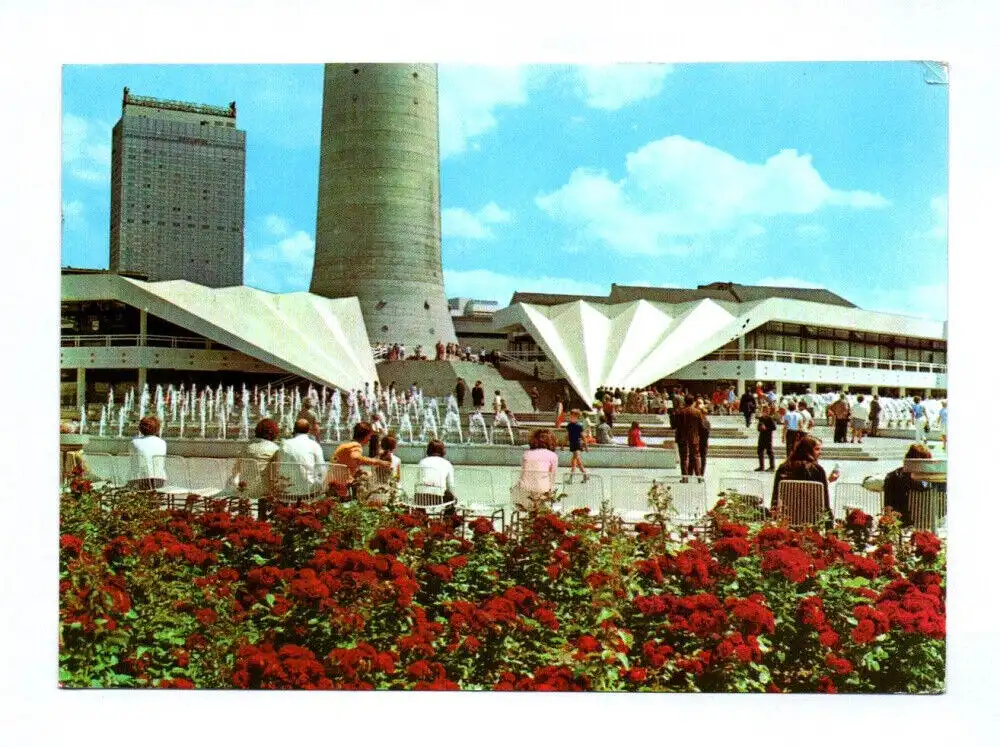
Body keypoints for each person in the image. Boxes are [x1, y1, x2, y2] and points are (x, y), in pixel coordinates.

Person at [769, 434, 839, 513]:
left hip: (787, 516)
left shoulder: (783, 468)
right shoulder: (817, 470)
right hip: (811, 516)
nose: (820, 452)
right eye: (817, 449)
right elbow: (824, 500)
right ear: (807, 450)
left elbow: (776, 496)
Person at [228, 418, 281, 518]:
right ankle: (264, 518)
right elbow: (277, 472)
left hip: (244, 488)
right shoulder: (274, 448)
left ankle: (243, 517)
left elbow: (235, 470)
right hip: (262, 490)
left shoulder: (246, 446)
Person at [882, 443, 945, 526]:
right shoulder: (929, 480)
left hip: (899, 520)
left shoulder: (892, 476)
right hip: (927, 520)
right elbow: (922, 486)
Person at [268, 418, 326, 501]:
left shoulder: (284, 444)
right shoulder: (314, 445)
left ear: (294, 430)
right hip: (308, 493)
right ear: (309, 430)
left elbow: (277, 466)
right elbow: (321, 470)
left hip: (286, 492)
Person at [330, 422, 392, 498]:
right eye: (369, 436)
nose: (369, 439)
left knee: (366, 477)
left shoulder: (346, 445)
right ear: (365, 436)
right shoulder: (356, 446)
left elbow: (347, 463)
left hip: (333, 482)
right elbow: (356, 458)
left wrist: (359, 471)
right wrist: (379, 462)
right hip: (341, 486)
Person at [513, 428, 558, 509]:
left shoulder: (526, 454)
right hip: (542, 493)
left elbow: (523, 474)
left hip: (524, 492)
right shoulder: (553, 456)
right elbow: (552, 478)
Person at [127, 415, 167, 490]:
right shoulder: (162, 442)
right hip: (159, 479)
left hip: (139, 479)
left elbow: (133, 462)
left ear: (140, 428)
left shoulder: (134, 442)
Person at [673, 395, 704, 483]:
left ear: (684, 402)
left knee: (683, 458)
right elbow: (702, 425)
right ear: (693, 401)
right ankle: (699, 477)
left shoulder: (680, 412)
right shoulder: (697, 412)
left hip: (682, 437)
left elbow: (674, 425)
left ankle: (685, 478)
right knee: (695, 457)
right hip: (694, 437)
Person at [415, 439, 457, 506]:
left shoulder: (422, 462)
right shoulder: (447, 464)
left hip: (420, 498)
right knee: (450, 496)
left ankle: (421, 515)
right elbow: (450, 485)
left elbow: (418, 479)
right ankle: (447, 516)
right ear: (443, 451)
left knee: (421, 492)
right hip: (438, 498)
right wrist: (455, 497)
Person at [565, 409, 589, 483]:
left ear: (577, 417)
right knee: (577, 461)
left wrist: (586, 446)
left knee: (575, 461)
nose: (571, 417)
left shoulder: (579, 426)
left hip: (577, 444)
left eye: (573, 416)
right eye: (570, 416)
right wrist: (563, 443)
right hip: (572, 444)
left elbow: (583, 437)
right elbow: (568, 435)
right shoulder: (569, 425)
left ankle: (571, 477)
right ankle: (585, 475)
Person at [755, 404, 777, 472]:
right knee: (760, 451)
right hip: (762, 437)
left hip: (768, 437)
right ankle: (761, 466)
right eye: (764, 411)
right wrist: (760, 428)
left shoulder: (770, 418)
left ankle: (772, 467)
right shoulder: (761, 418)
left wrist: (766, 428)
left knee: (770, 452)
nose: (765, 412)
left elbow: (774, 427)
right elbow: (758, 428)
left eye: (766, 411)